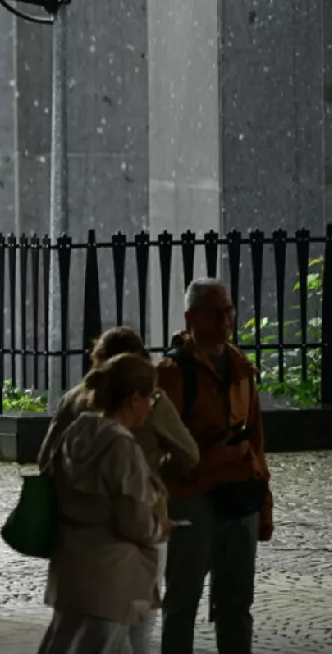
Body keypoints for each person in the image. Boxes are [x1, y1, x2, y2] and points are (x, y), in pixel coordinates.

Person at [39, 326, 199, 654]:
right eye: (150, 398)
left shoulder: (78, 427)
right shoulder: (122, 447)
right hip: (114, 572)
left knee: (64, 642)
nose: (152, 404)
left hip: (73, 558)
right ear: (134, 399)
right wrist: (158, 524)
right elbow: (134, 518)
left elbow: (47, 466)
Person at [157, 279, 271, 654]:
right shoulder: (172, 372)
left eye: (229, 311)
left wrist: (264, 503)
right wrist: (207, 461)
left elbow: (256, 441)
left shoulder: (241, 369)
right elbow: (155, 451)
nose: (226, 320)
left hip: (240, 495)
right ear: (191, 318)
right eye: (215, 313)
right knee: (182, 601)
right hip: (192, 496)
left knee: (236, 602)